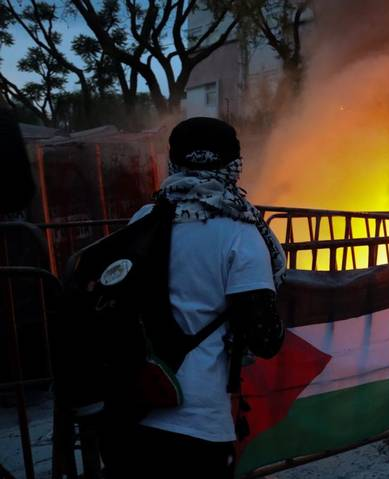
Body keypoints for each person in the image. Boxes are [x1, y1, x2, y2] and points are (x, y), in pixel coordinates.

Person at [104, 117, 286, 478]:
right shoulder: (241, 233)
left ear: (173, 163)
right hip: (197, 422)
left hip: (131, 406)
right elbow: (265, 339)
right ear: (234, 165)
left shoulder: (143, 219)